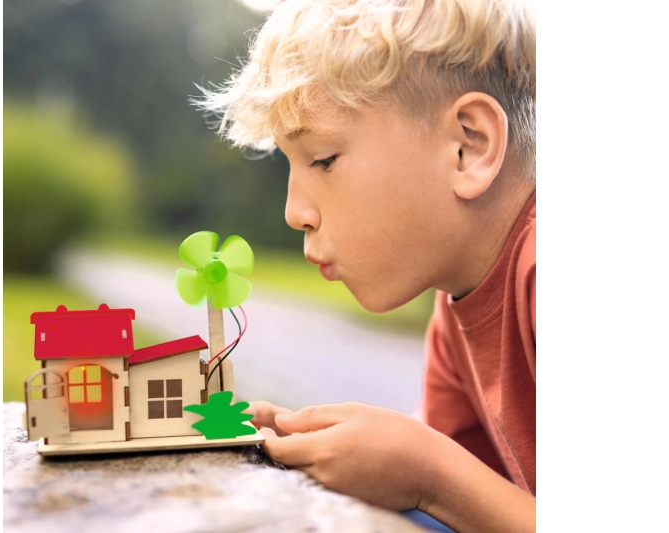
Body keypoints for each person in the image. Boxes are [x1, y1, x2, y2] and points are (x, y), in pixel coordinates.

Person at [194, 0, 535, 531]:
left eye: (323, 159)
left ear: (469, 145)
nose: (294, 213)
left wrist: (429, 475)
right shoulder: (455, 301)